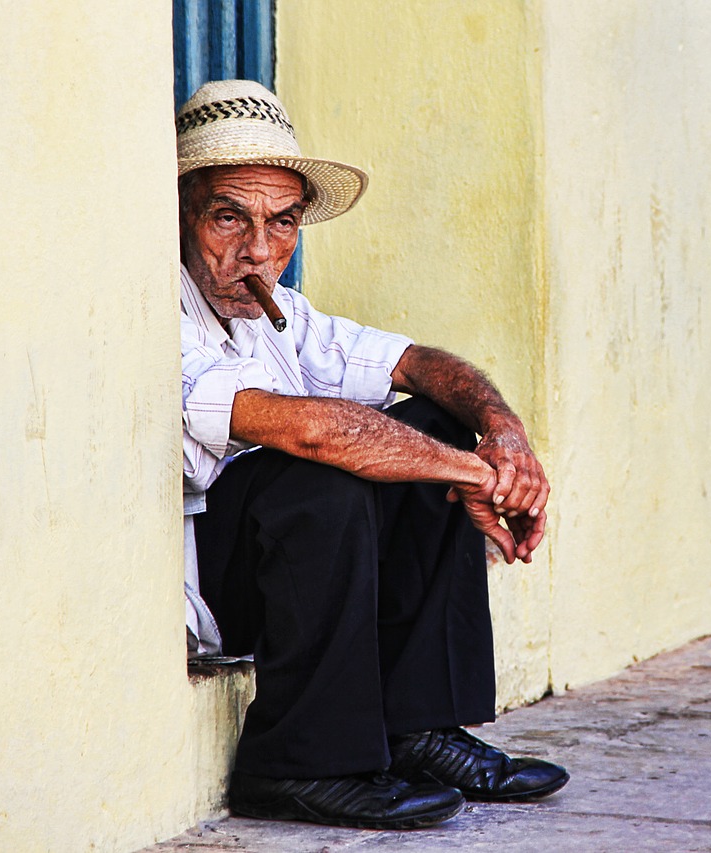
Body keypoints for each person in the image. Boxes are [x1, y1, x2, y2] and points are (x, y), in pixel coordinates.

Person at [177, 79, 567, 830]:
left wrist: (502, 433)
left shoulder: (275, 310)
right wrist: (478, 476)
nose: (258, 249)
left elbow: (424, 365)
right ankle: (300, 766)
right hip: (219, 583)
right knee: (323, 479)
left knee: (438, 426)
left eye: (282, 222)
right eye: (229, 218)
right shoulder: (158, 311)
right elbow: (310, 432)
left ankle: (416, 731)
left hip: (301, 569)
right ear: (184, 213)